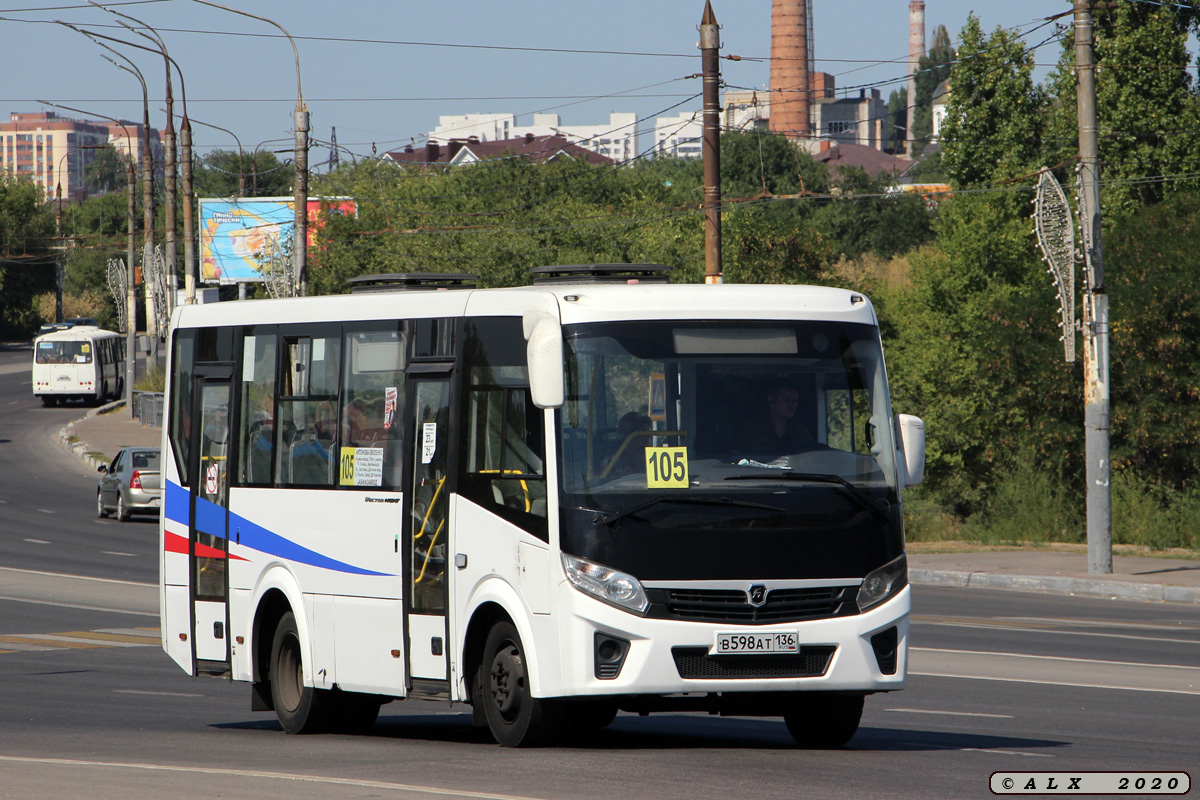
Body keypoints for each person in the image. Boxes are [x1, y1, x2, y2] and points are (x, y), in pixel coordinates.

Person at [742, 383, 812, 458]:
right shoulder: (753, 430)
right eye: (786, 400)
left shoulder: (800, 433)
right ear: (771, 400)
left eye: (795, 401)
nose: (792, 405)